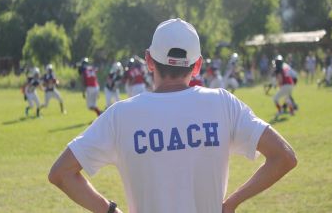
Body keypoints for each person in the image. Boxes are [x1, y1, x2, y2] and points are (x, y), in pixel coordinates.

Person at [49, 18, 297, 213]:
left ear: (149, 60)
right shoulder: (223, 104)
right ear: (197, 65)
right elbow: (284, 156)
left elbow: (61, 173)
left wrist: (110, 211)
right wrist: (231, 203)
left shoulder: (120, 116)